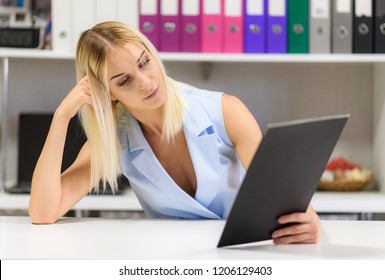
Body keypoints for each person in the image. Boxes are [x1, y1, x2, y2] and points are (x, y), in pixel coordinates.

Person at [29, 21, 321, 244]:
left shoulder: (225, 111)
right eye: (124, 81)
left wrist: (310, 222)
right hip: (175, 262)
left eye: (144, 62)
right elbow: (44, 212)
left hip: (249, 253)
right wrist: (62, 116)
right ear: (108, 94)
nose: (145, 82)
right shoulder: (115, 141)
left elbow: (283, 196)